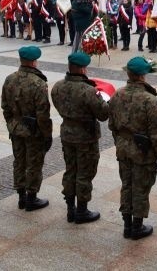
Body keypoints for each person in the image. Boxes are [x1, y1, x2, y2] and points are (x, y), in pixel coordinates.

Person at [109, 56, 157, 240]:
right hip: (143, 152)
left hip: (123, 149)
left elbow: (112, 124)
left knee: (127, 185)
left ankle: (127, 225)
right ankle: (137, 227)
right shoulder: (150, 100)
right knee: (140, 188)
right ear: (143, 76)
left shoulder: (117, 95)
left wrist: (121, 141)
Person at [50, 52, 110, 223]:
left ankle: (70, 208)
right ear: (83, 69)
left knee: (71, 170)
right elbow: (103, 115)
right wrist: (106, 102)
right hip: (86, 137)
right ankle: (82, 211)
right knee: (85, 172)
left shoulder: (57, 87)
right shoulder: (89, 91)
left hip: (67, 134)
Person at [1, 45, 52, 211]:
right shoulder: (38, 83)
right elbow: (43, 114)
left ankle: (21, 197)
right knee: (34, 163)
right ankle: (31, 197)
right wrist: (47, 135)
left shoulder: (9, 79)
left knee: (19, 161)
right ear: (33, 62)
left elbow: (5, 106)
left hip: (16, 128)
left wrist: (11, 123)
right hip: (33, 131)